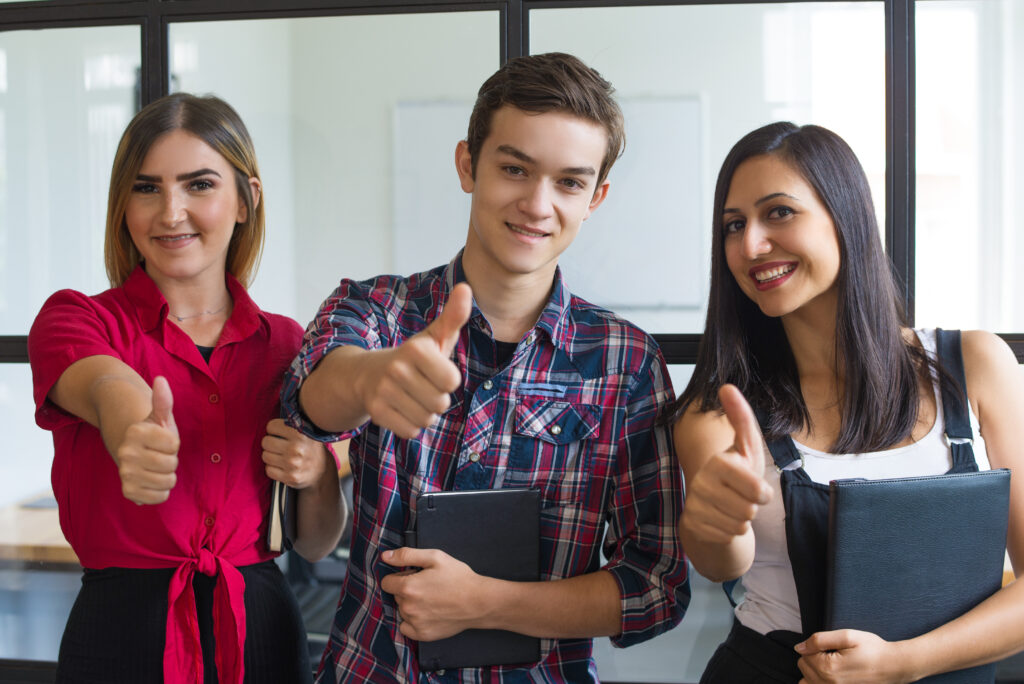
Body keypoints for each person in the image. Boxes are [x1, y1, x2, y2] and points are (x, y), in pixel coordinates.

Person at [280, 52, 688, 683]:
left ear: (596, 198)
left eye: (570, 183)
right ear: (468, 164)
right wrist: (374, 380)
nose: (537, 204)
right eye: (514, 168)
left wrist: (488, 603)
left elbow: (656, 588)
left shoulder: (626, 362)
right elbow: (311, 400)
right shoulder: (378, 310)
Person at [672, 121, 1024, 683]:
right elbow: (721, 561)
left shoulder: (974, 364)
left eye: (779, 212)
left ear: (846, 216)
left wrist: (902, 664)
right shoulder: (717, 412)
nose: (750, 245)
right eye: (734, 226)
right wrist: (714, 522)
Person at [28, 93, 347, 684]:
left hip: (262, 633)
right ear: (123, 205)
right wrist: (132, 429)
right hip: (121, 634)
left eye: (199, 184)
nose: (170, 213)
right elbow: (104, 383)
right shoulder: (75, 318)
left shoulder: (287, 344)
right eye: (147, 188)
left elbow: (314, 544)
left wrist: (319, 474)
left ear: (246, 200)